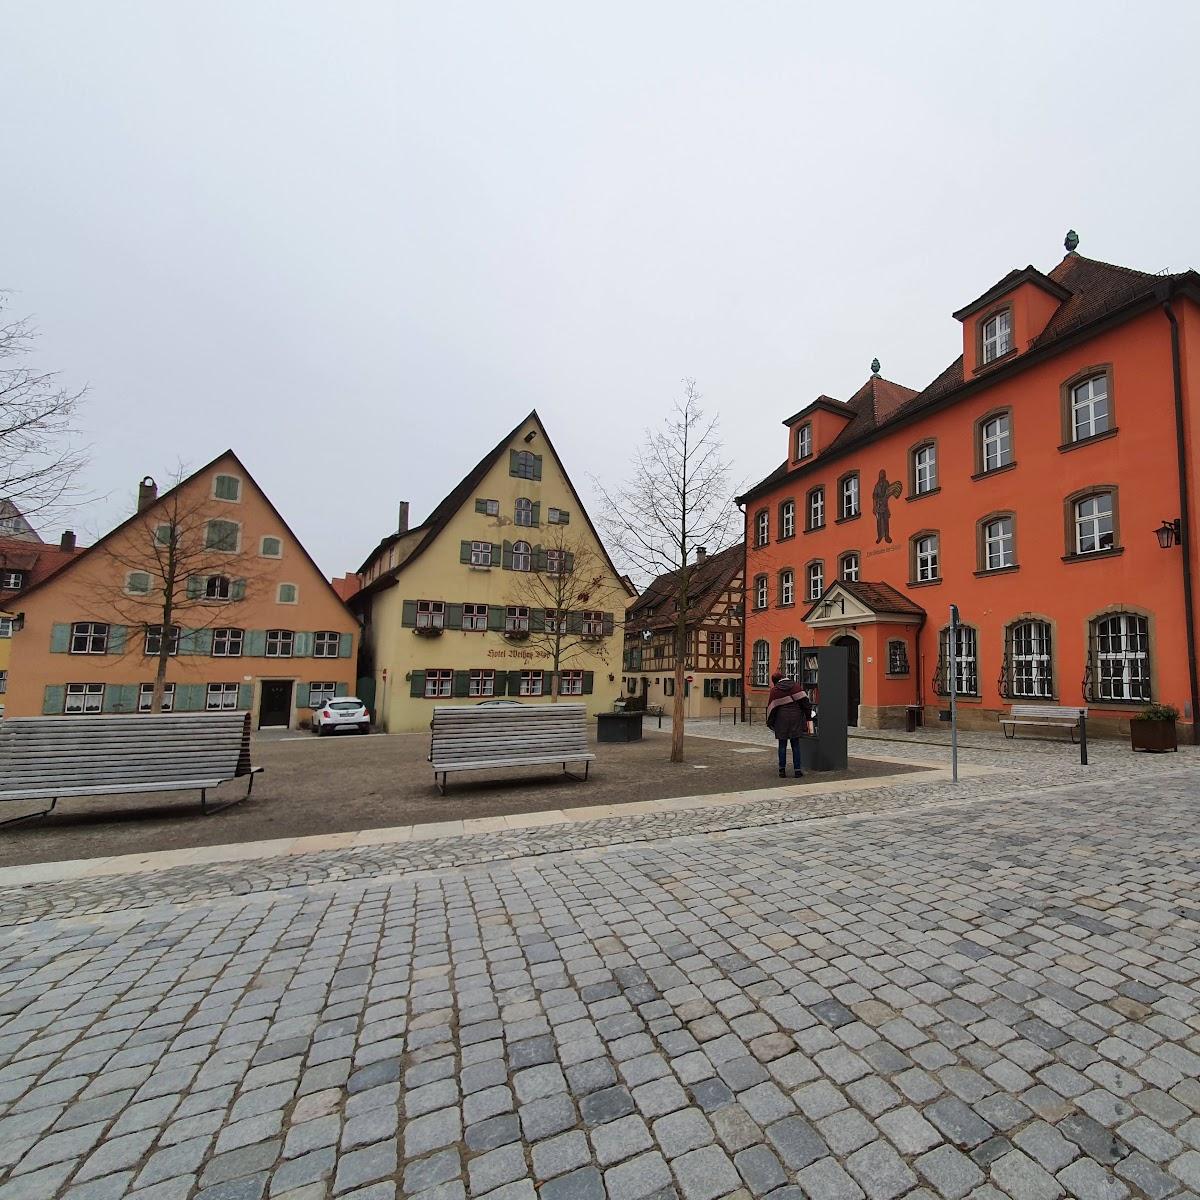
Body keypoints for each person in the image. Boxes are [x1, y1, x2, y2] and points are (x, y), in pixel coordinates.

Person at [766, 671, 812, 778]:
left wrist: (770, 723)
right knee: (795, 745)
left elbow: (771, 709)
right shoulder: (796, 686)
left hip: (781, 719)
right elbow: (806, 703)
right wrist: (808, 717)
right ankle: (797, 771)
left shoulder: (775, 690)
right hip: (796, 718)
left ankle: (782, 770)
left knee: (782, 745)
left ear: (775, 681)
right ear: (784, 677)